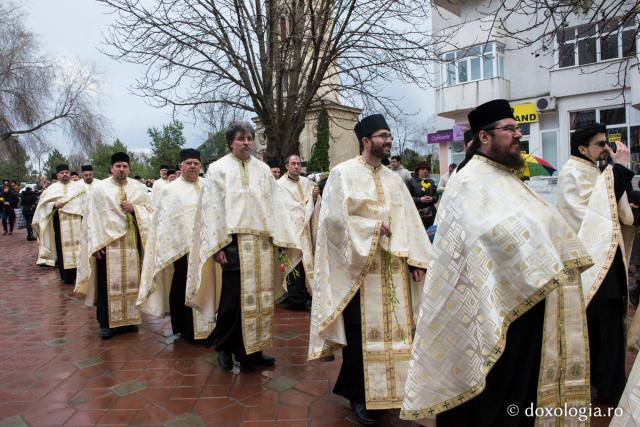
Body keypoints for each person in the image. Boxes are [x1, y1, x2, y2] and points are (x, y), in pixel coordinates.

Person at [401, 99, 592, 426]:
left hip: (526, 302)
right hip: (488, 306)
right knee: (494, 397)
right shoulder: (467, 180)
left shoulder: (507, 177)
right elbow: (474, 238)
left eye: (517, 127)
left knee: (519, 390)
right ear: (484, 137)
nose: (518, 134)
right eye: (509, 128)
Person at [308, 114, 431, 425]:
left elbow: (410, 223)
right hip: (358, 271)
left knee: (396, 337)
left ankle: (390, 391)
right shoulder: (342, 174)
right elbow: (333, 222)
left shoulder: (395, 180)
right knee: (362, 337)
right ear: (366, 141)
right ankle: (360, 396)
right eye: (382, 136)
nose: (388, 141)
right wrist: (372, 228)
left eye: (389, 135)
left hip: (393, 271)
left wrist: (417, 260)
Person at [185, 121, 299, 371]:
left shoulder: (262, 169)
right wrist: (218, 246)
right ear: (230, 142)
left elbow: (275, 206)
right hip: (233, 244)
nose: (246, 142)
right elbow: (212, 209)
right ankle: (225, 347)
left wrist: (281, 239)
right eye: (241, 138)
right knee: (232, 302)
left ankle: (253, 353)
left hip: (262, 244)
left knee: (261, 300)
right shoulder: (217, 169)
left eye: (249, 138)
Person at [555, 122, 635, 405]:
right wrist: (621, 168)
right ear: (582, 148)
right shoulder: (571, 174)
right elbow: (593, 214)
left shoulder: (591, 170)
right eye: (600, 144)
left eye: (605, 143)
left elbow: (613, 206)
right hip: (593, 263)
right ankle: (608, 388)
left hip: (607, 260)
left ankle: (609, 384)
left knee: (610, 328)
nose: (606, 149)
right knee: (600, 329)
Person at [74, 152, 153, 339]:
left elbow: (151, 212)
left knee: (133, 282)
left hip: (132, 245)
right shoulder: (99, 189)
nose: (121, 169)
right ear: (111, 168)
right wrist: (95, 243)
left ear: (129, 168)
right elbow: (91, 218)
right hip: (108, 246)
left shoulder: (139, 188)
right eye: (118, 166)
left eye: (125, 166)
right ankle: (106, 323)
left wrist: (135, 209)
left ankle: (130, 320)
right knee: (107, 285)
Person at [137, 149, 213, 341]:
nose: (193, 166)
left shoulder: (208, 186)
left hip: (206, 247)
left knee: (207, 283)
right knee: (182, 285)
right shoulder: (170, 190)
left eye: (196, 163)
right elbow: (164, 221)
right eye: (189, 163)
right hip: (182, 249)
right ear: (181, 167)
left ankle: (209, 326)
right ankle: (185, 328)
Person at [277, 154, 320, 311]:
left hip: (306, 231)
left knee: (306, 264)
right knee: (293, 264)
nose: (296, 166)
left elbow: (312, 206)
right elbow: (279, 210)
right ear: (286, 166)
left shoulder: (308, 183)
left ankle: (306, 295)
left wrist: (315, 198)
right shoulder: (280, 185)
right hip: (291, 232)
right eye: (293, 163)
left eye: (299, 163)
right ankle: (295, 298)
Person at [32, 164, 85, 284]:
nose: (65, 174)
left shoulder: (79, 187)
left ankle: (80, 274)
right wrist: (53, 205)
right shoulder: (50, 189)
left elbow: (86, 204)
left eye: (67, 172)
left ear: (70, 174)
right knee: (62, 248)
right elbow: (42, 206)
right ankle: (66, 276)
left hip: (78, 223)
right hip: (60, 223)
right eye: (62, 173)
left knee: (80, 248)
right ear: (57, 175)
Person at [406, 161, 438, 228]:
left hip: (431, 214)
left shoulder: (431, 181)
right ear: (417, 170)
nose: (425, 171)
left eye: (427, 169)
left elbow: (436, 196)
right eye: (422, 169)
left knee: (431, 234)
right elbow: (407, 198)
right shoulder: (410, 181)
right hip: (417, 213)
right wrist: (420, 200)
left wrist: (432, 198)